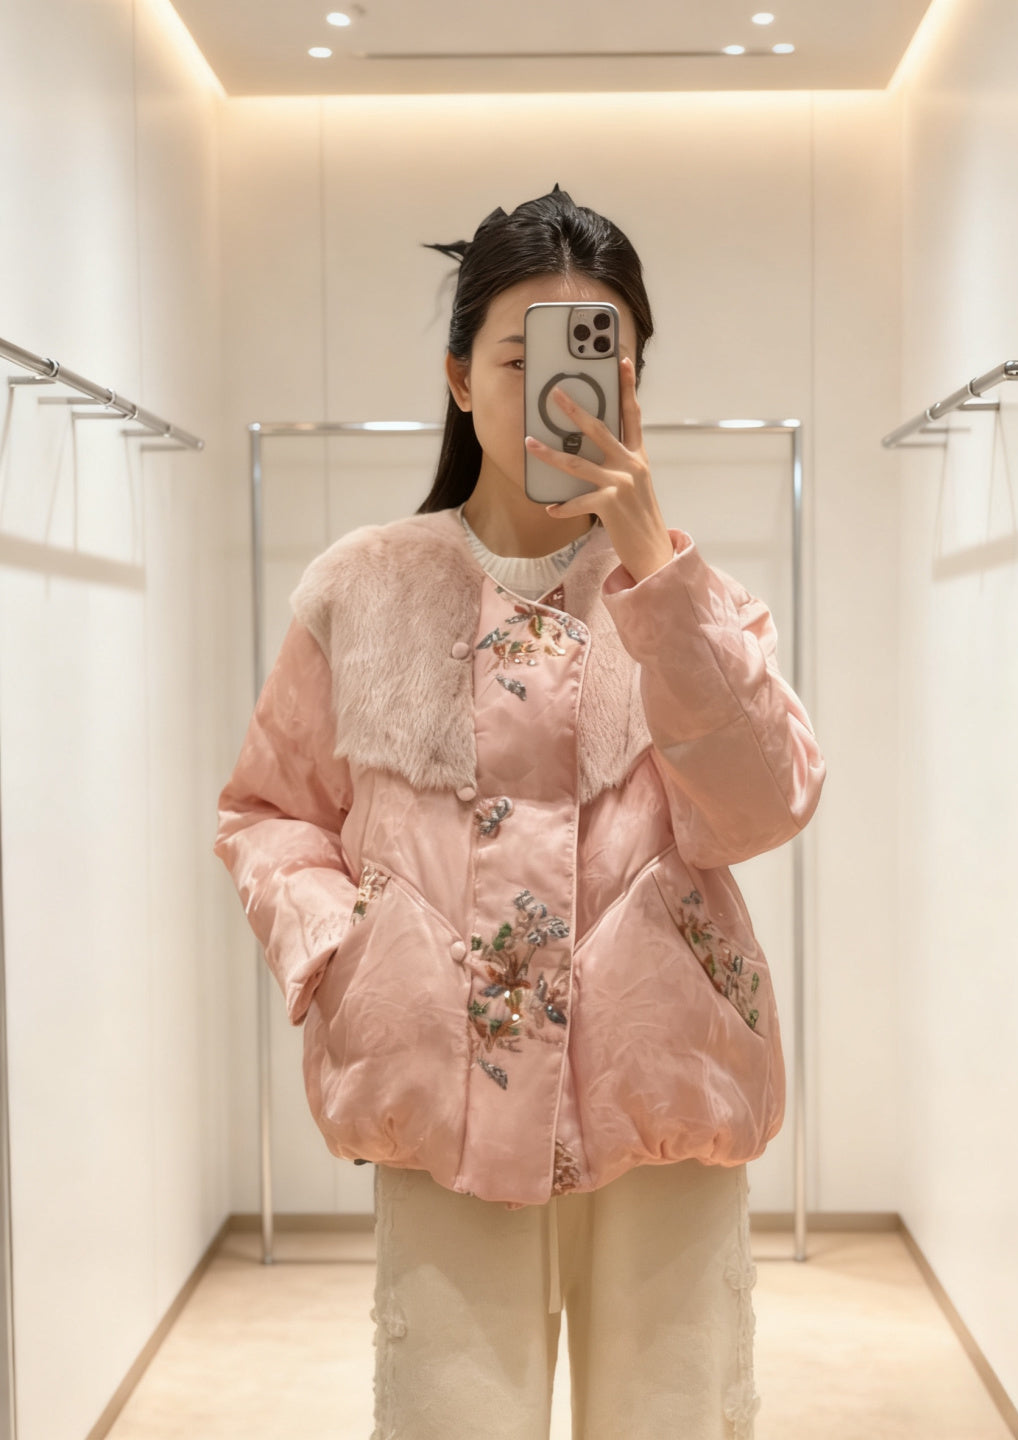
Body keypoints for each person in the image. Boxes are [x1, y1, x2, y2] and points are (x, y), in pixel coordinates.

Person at [212, 184, 826, 1440]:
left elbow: (765, 804)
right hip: (442, 1097)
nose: (561, 391)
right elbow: (267, 812)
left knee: (667, 1422)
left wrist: (654, 572)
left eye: (601, 359)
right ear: (459, 376)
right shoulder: (362, 589)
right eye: (521, 357)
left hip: (661, 1094)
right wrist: (349, 955)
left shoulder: (690, 597)